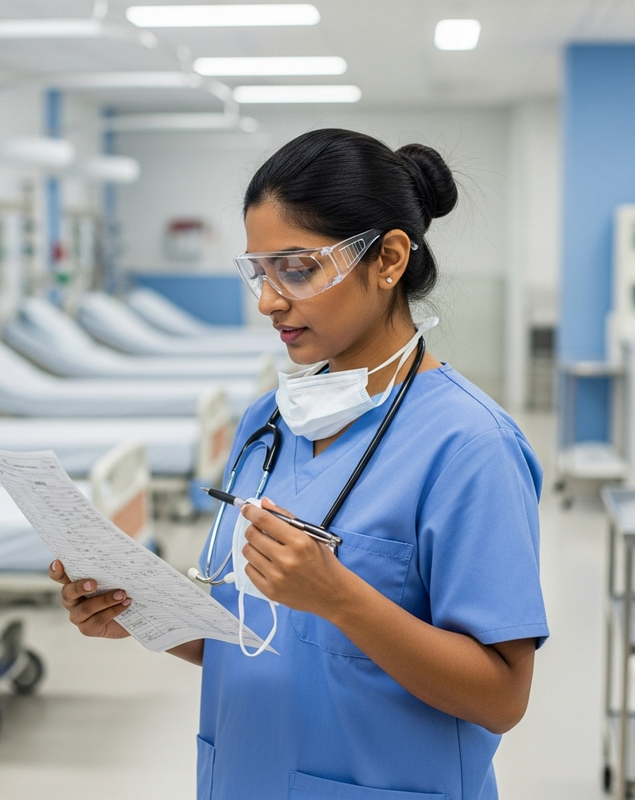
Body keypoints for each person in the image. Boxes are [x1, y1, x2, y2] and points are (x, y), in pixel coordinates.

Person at [49, 127, 549, 799]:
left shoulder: (470, 445)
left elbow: (501, 697)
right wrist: (137, 610)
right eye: (259, 271)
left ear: (389, 259)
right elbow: (256, 635)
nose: (268, 301)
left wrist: (339, 596)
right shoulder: (265, 425)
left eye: (297, 268)